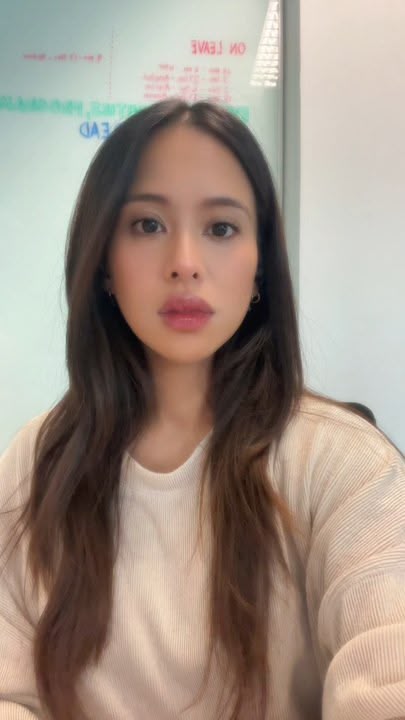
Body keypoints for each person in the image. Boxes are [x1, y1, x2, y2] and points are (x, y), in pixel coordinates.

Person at [0, 99, 404, 720]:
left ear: (260, 266)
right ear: (103, 263)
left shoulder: (345, 464)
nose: (185, 263)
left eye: (221, 228)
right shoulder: (37, 461)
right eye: (147, 225)